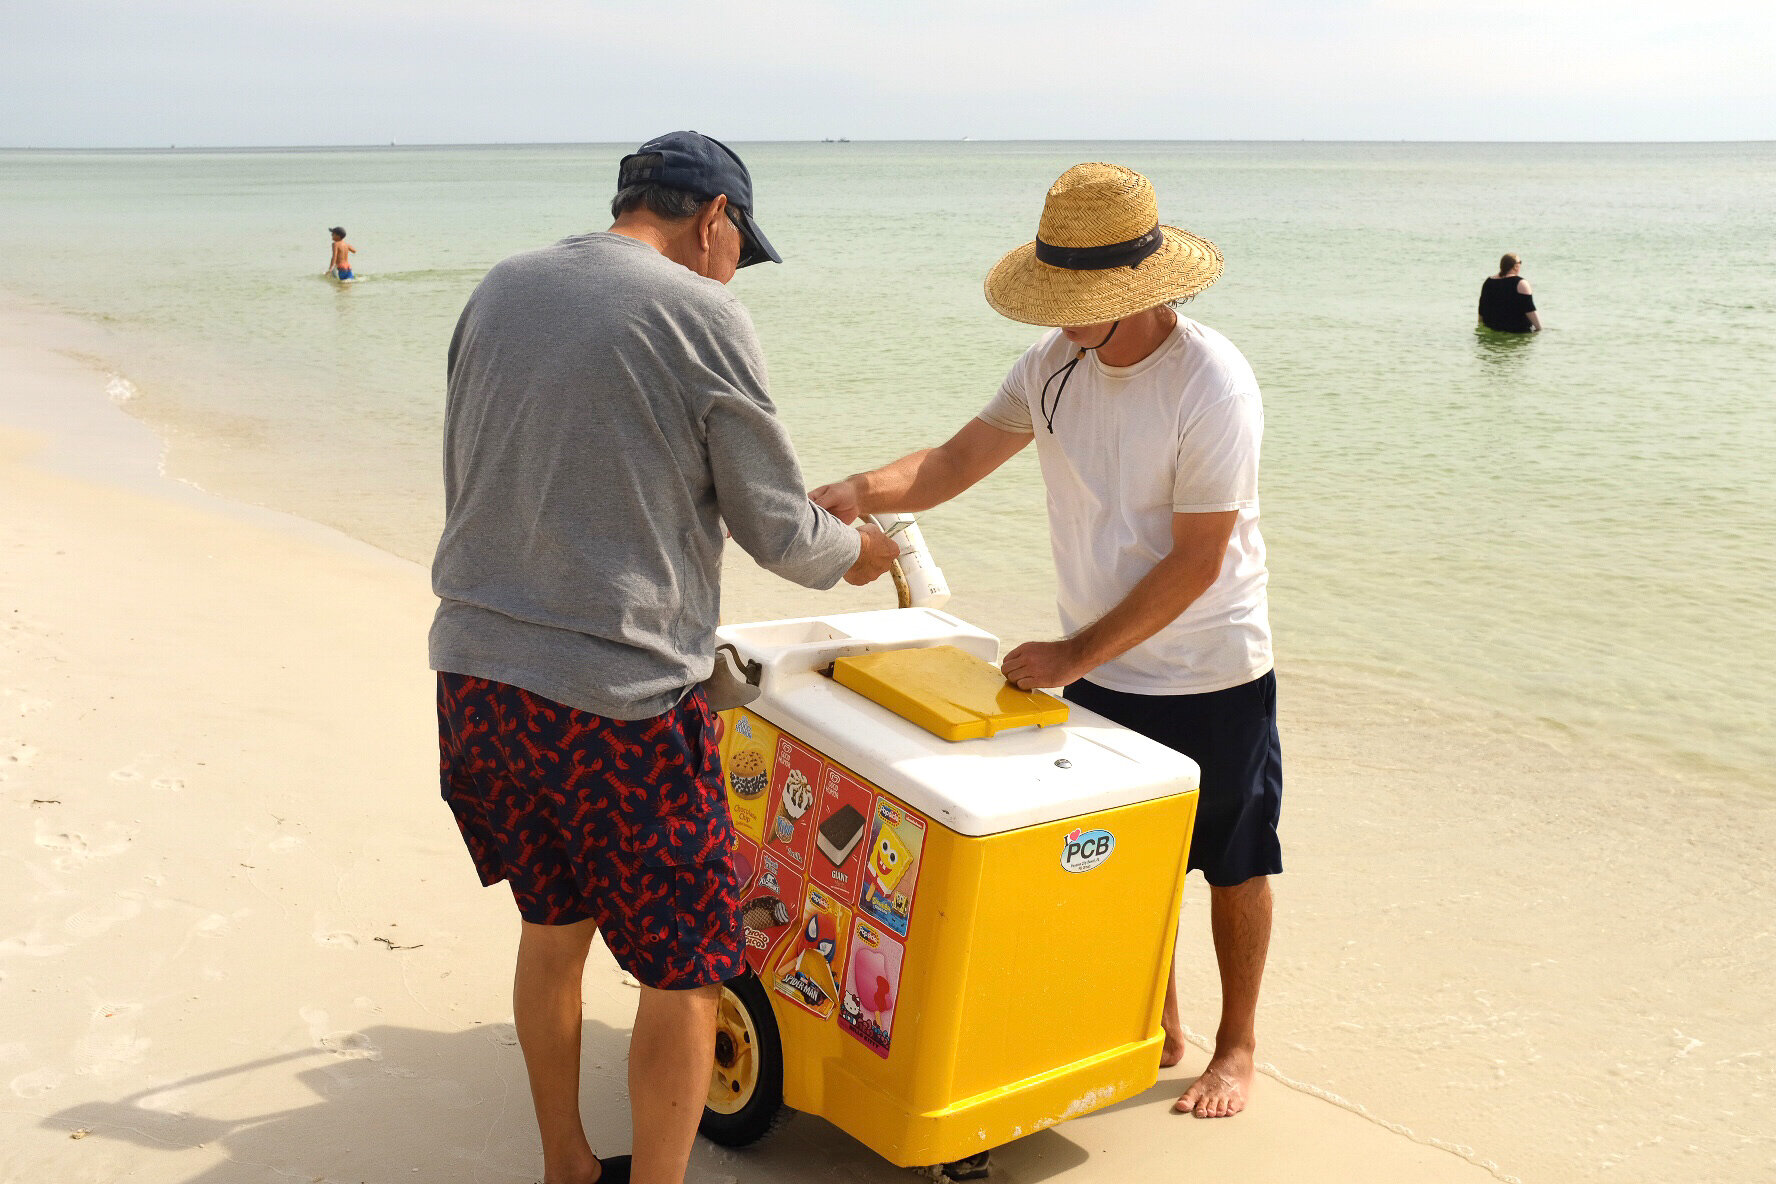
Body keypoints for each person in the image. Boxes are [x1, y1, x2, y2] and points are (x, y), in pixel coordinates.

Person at [429, 130, 898, 1184]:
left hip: (477, 679)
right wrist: (859, 551)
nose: (739, 272)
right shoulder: (703, 311)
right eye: (741, 248)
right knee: (688, 973)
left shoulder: (503, 286)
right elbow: (779, 530)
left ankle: (566, 1163)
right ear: (713, 219)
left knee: (553, 930)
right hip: (620, 703)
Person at [811, 163, 1281, 1121]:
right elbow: (950, 463)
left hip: (1210, 667)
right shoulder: (1050, 367)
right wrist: (862, 490)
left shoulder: (1211, 381)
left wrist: (1071, 657)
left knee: (1233, 862)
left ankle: (1236, 1048)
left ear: (1144, 292)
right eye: (1058, 294)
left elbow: (1198, 560)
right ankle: (1160, 1031)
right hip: (1100, 665)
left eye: (1084, 298)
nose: (1064, 314)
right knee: (1124, 860)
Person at [1478, 252, 1540, 333]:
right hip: (1517, 332)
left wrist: (1480, 327)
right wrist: (1539, 329)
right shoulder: (1521, 283)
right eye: (1520, 262)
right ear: (1515, 266)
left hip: (1492, 329)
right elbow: (1530, 310)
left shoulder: (1488, 282)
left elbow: (1481, 309)